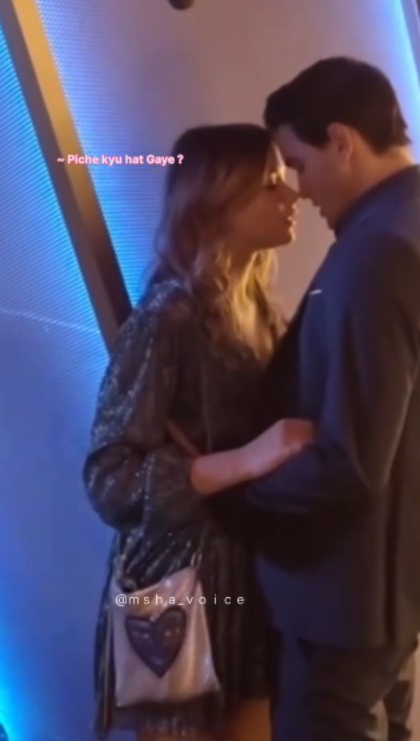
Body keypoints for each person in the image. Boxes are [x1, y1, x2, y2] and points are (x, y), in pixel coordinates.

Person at [82, 123, 314, 741]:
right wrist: (243, 461)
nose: (291, 195)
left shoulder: (260, 310)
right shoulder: (167, 320)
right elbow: (109, 478)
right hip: (180, 590)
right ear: (218, 200)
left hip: (248, 591)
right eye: (269, 183)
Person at [216, 57, 420, 741]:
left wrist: (240, 486)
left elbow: (350, 458)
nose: (300, 192)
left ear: (342, 141)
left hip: (344, 593)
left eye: (299, 166)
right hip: (386, 586)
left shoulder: (378, 250)